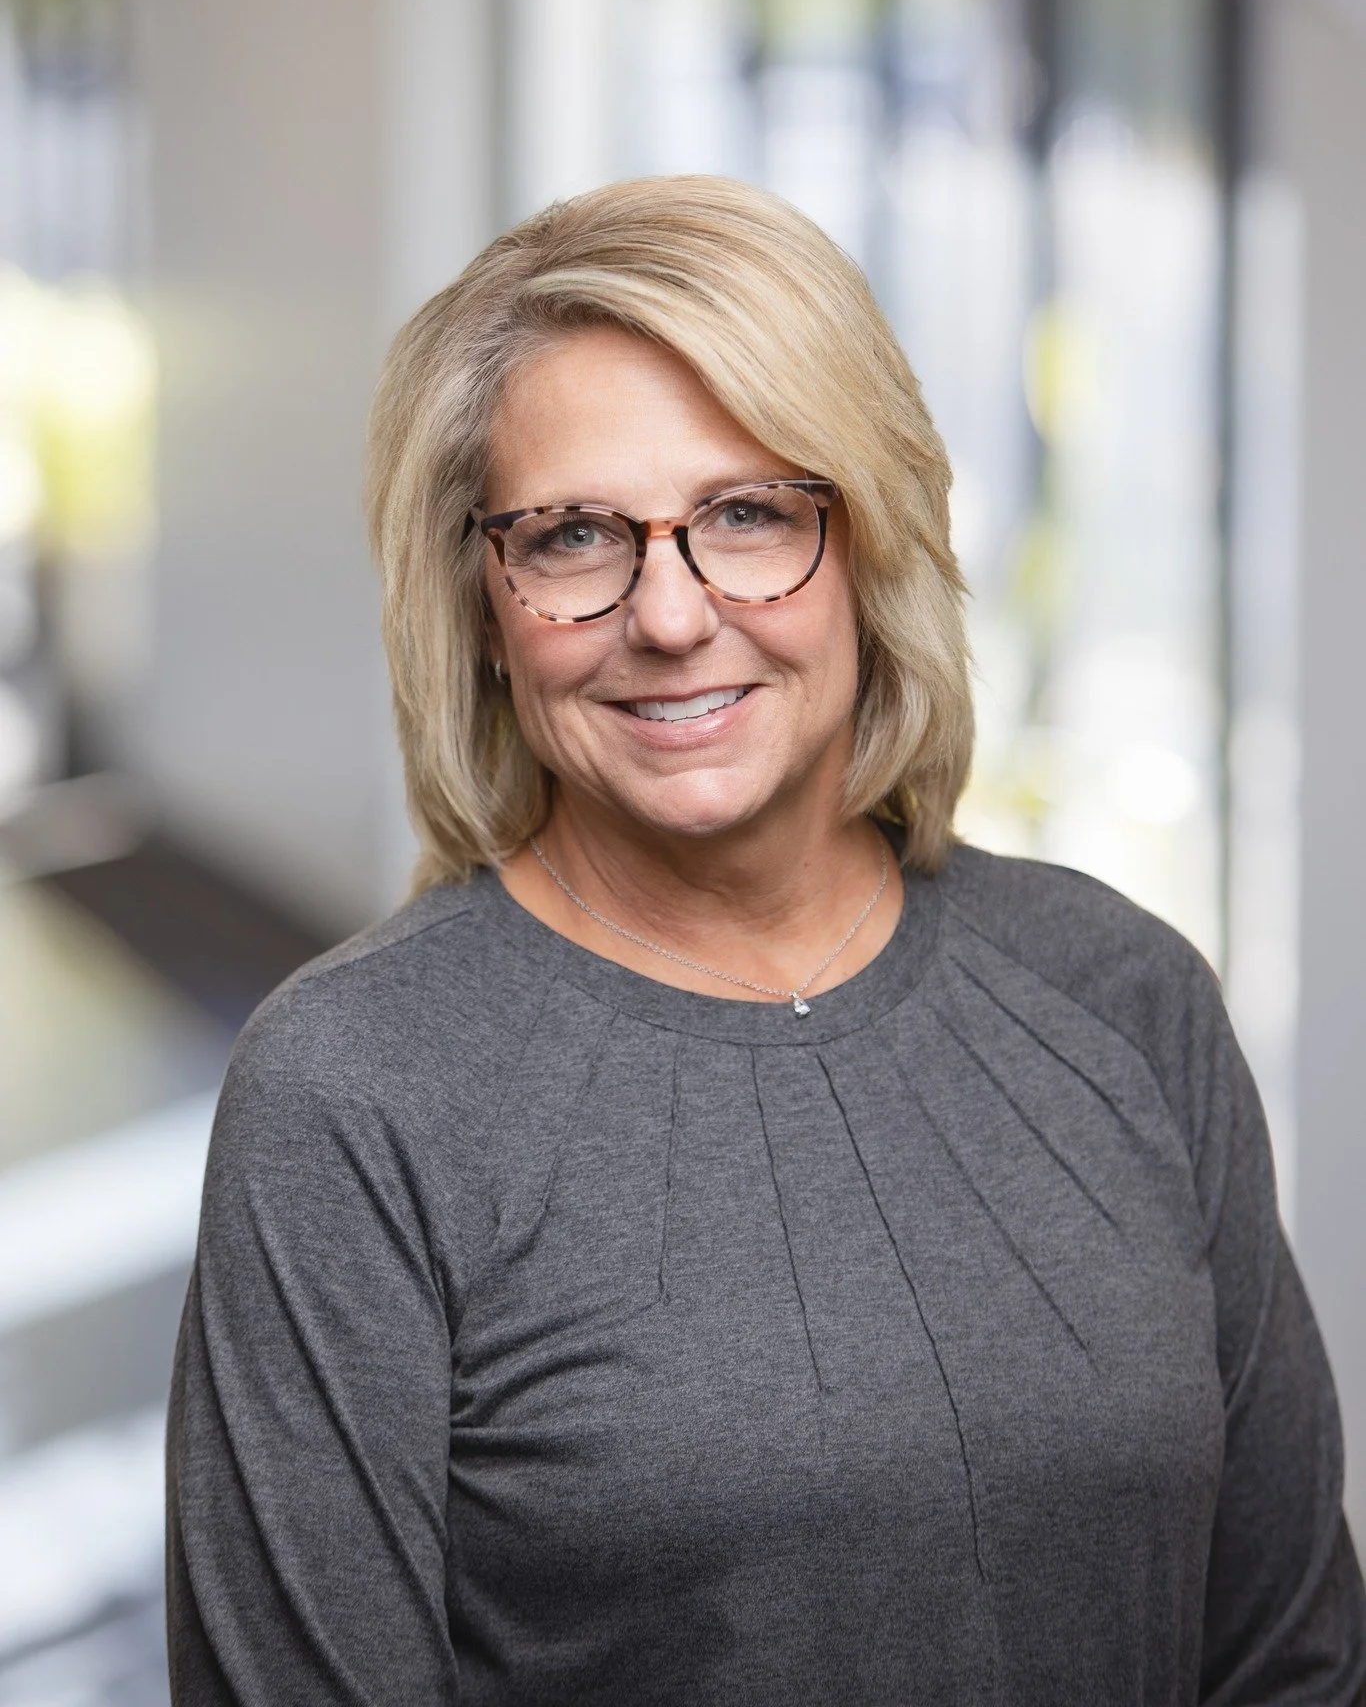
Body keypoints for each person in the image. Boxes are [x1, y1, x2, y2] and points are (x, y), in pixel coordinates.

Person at [166, 176, 1366, 1705]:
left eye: (745, 516)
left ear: (867, 542)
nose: (668, 616)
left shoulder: (1122, 995)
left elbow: (1293, 1661)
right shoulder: (357, 1091)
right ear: (480, 601)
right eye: (574, 535)